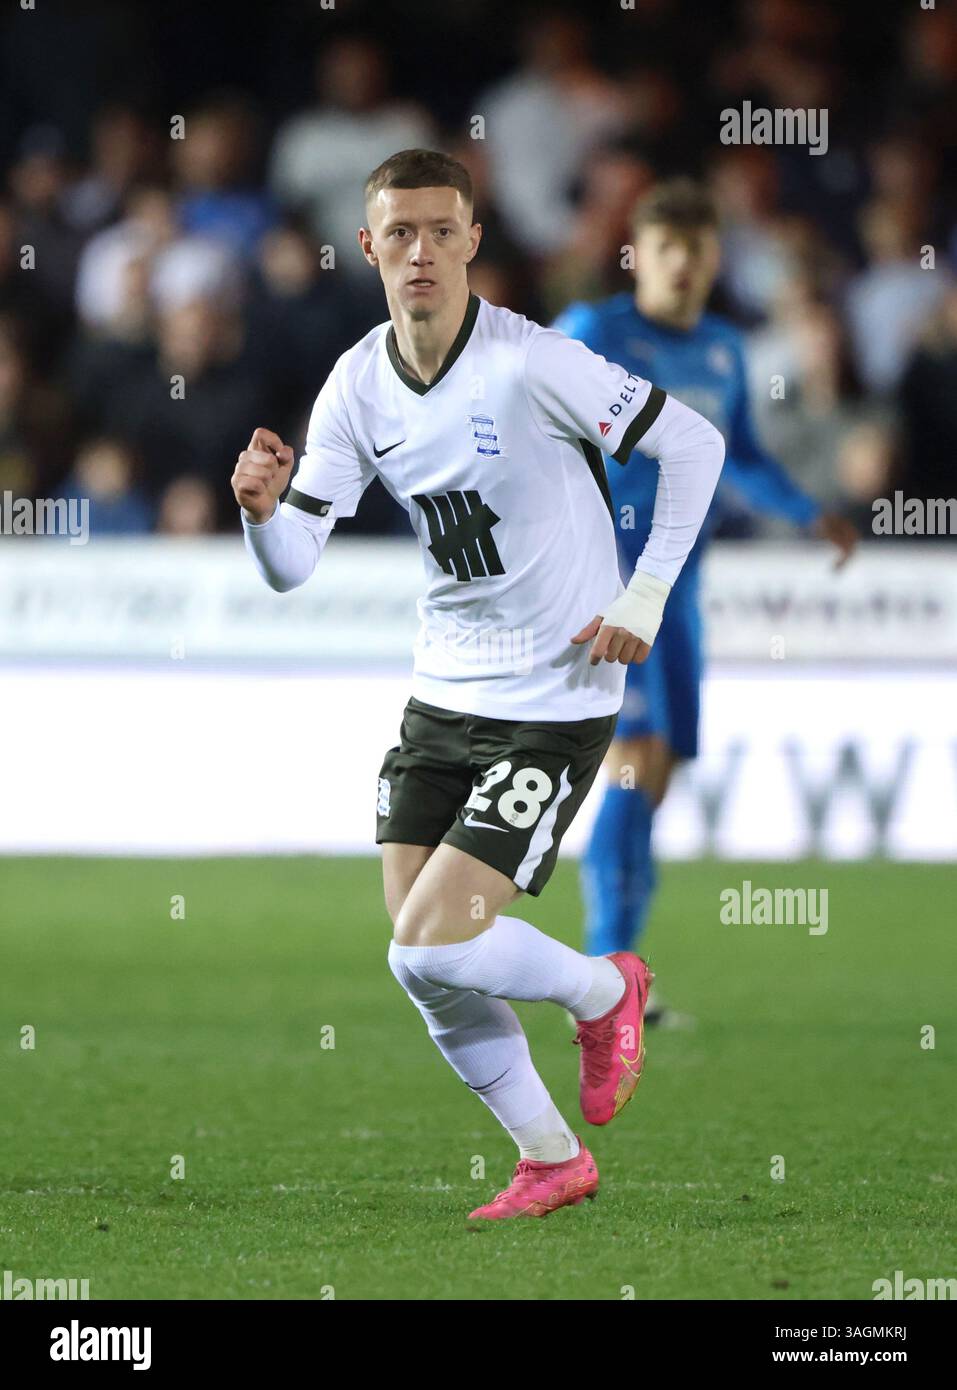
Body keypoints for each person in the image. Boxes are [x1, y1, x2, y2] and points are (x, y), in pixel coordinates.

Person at [232, 150, 725, 1221]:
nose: (420, 251)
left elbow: (692, 443)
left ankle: (608, 990)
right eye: (398, 233)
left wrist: (643, 598)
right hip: (439, 694)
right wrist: (262, 514)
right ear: (368, 247)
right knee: (422, 963)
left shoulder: (534, 361)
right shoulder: (359, 380)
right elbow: (291, 568)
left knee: (433, 936)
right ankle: (550, 1157)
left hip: (555, 698)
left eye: (440, 230)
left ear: (471, 242)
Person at [553, 179, 857, 1015]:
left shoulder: (725, 348)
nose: (682, 266)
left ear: (715, 257)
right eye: (666, 250)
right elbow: (523, 407)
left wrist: (806, 511)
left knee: (662, 767)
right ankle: (607, 972)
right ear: (638, 256)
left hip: (680, 585)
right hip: (610, 577)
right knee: (633, 758)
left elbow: (741, 455)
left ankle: (622, 971)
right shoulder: (595, 332)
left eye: (696, 250)